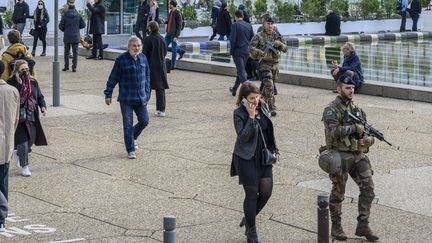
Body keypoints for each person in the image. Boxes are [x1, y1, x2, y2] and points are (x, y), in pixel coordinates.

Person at [320, 75, 379, 242]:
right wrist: (354, 127)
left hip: (357, 154)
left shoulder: (358, 110)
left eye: (352, 87)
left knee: (369, 188)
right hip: (339, 154)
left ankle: (363, 225)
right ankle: (336, 226)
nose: (351, 90)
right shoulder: (331, 109)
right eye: (347, 87)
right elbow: (334, 132)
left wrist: (368, 140)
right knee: (339, 191)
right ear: (339, 89)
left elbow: (366, 133)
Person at [230, 81, 278, 243]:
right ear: (243, 98)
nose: (255, 101)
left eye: (257, 96)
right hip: (246, 158)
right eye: (251, 98)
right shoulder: (239, 113)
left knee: (266, 193)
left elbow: (268, 131)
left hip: (263, 157)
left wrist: (274, 149)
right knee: (251, 194)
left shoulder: (262, 107)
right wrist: (250, 118)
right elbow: (243, 137)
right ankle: (252, 230)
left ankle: (248, 218)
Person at [104, 37, 150, 159]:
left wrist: (147, 92)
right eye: (134, 46)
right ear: (129, 47)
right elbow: (113, 78)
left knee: (144, 121)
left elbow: (147, 76)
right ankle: (130, 149)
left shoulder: (143, 58)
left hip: (140, 97)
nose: (137, 48)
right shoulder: (121, 60)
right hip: (126, 98)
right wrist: (108, 94)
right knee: (128, 124)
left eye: (139, 45)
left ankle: (133, 136)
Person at [7, 60, 48, 177]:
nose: (25, 72)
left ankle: (17, 151)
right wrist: (19, 84)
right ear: (16, 71)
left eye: (27, 69)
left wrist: (43, 107)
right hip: (18, 117)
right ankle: (25, 167)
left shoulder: (33, 81)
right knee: (23, 142)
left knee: (30, 141)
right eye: (22, 70)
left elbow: (39, 96)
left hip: (31, 114)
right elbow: (12, 97)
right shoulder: (11, 82)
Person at [249, 16, 287, 117]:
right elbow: (251, 47)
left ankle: (258, 103)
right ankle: (272, 108)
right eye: (268, 23)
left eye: (271, 24)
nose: (270, 26)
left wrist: (280, 44)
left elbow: (286, 48)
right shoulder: (259, 36)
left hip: (275, 64)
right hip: (264, 64)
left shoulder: (277, 36)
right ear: (264, 24)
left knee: (267, 87)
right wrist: (258, 52)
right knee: (269, 86)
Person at [0, 61, 19, 231]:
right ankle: (2, 220)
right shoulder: (13, 91)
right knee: (3, 181)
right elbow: (15, 120)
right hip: (6, 144)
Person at [142, 21, 168, 117]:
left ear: (150, 28)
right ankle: (161, 110)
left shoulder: (148, 39)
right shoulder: (162, 38)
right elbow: (165, 52)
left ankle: (142, 106)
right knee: (160, 88)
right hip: (161, 66)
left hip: (150, 66)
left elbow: (144, 53)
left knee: (146, 87)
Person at [229, 10, 254, 96]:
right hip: (246, 52)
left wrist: (231, 51)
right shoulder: (249, 25)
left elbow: (233, 40)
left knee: (241, 71)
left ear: (235, 17)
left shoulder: (235, 25)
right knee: (240, 71)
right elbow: (252, 39)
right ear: (242, 16)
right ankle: (234, 89)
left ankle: (250, 90)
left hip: (238, 52)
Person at [59, 0, 86, 72]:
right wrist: (76, 28)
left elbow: (60, 26)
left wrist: (66, 30)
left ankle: (66, 66)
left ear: (68, 7)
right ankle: (74, 67)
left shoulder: (65, 15)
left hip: (67, 36)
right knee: (75, 52)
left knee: (66, 51)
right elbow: (83, 25)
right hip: (75, 36)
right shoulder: (78, 14)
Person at [164, 0, 185, 69]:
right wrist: (165, 22)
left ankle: (173, 65)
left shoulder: (178, 13)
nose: (168, 5)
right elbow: (170, 22)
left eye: (169, 4)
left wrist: (176, 36)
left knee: (173, 50)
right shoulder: (171, 12)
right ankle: (180, 51)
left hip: (174, 35)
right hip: (168, 33)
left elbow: (179, 26)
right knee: (163, 47)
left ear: (172, 5)